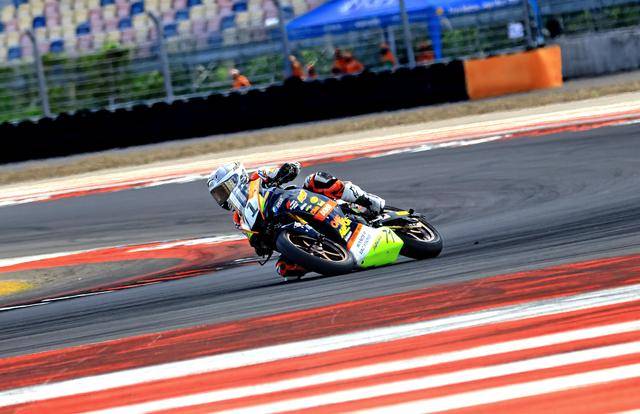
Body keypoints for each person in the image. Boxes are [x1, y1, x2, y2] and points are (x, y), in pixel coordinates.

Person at [207, 162, 386, 278]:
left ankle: (367, 200)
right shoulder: (239, 219)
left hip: (297, 201)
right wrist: (260, 243)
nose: (222, 197)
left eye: (222, 190)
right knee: (284, 269)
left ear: (236, 179)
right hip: (287, 229)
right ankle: (326, 258)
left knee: (316, 179)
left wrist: (286, 170)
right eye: (217, 195)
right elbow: (258, 245)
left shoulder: (257, 178)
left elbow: (287, 169)